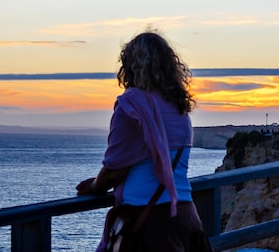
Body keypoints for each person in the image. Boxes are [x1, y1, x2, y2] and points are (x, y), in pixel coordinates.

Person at [76, 31, 213, 252]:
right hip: (187, 219)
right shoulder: (179, 109)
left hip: (150, 224)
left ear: (129, 67)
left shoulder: (131, 108)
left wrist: (93, 186)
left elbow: (114, 170)